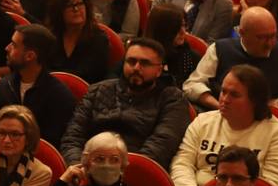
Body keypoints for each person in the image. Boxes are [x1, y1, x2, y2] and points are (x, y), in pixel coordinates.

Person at [61, 38, 190, 167]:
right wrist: (78, 167)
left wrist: (120, 173)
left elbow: (160, 147)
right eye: (131, 61)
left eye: (145, 63)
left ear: (159, 71)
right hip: (87, 168)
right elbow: (73, 137)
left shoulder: (172, 99)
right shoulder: (98, 89)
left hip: (135, 174)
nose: (136, 68)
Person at [0, 24, 76, 148]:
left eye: (14, 45)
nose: (7, 48)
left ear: (30, 56)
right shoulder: (4, 86)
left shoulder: (59, 96)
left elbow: (52, 143)